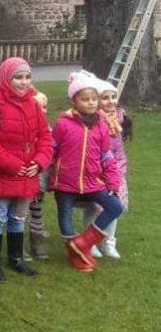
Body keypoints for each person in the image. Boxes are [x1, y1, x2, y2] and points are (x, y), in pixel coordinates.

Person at [0, 58, 52, 281]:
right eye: (18, 77)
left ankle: (16, 258)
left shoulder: (33, 104)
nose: (24, 82)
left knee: (18, 218)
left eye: (27, 77)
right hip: (2, 173)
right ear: (6, 78)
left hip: (28, 173)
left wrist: (39, 162)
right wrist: (14, 165)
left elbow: (45, 136)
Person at [49, 72, 123, 273]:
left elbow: (106, 156)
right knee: (64, 215)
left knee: (116, 207)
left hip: (92, 182)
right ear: (73, 100)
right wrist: (47, 176)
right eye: (85, 99)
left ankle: (84, 243)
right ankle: (74, 254)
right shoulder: (63, 123)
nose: (91, 103)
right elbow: (52, 150)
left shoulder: (102, 125)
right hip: (65, 183)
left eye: (93, 99)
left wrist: (113, 183)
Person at [82, 78, 132, 259]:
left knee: (115, 207)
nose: (111, 101)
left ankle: (109, 242)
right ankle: (89, 242)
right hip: (96, 174)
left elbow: (119, 151)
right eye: (105, 98)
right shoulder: (92, 121)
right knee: (94, 208)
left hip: (116, 172)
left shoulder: (119, 119)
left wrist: (118, 170)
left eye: (113, 97)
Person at [27, 91, 51, 260]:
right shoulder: (26, 127)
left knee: (36, 209)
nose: (42, 110)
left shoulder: (47, 129)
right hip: (25, 175)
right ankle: (18, 243)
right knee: (20, 212)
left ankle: (37, 240)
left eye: (44, 106)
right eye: (37, 106)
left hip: (41, 175)